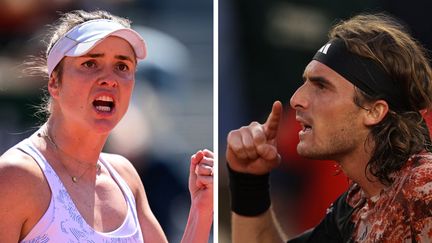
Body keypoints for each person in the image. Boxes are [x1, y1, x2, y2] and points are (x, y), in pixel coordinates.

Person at [0, 10, 213, 242]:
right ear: (54, 82)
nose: (109, 78)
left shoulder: (125, 176)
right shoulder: (15, 176)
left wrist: (200, 211)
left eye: (122, 67)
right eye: (90, 63)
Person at [226, 13, 432, 242]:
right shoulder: (356, 206)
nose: (296, 99)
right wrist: (249, 182)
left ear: (374, 111)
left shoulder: (423, 186)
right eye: (305, 83)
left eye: (321, 86)